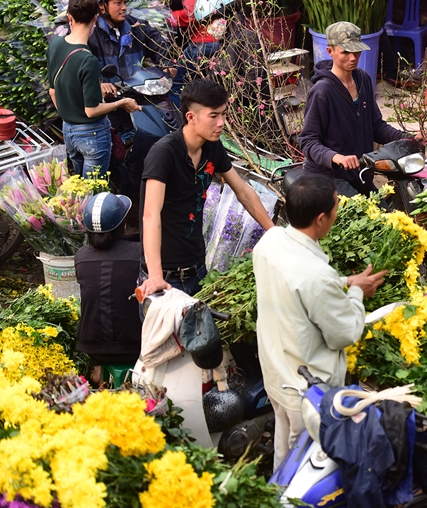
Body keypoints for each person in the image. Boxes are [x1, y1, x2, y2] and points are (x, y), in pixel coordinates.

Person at [253, 173, 387, 470]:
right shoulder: (315, 274)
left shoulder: (270, 241)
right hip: (307, 392)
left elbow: (297, 284)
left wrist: (345, 281)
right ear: (321, 219)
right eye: (336, 207)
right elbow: (344, 333)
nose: (338, 211)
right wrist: (356, 292)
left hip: (276, 373)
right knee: (304, 467)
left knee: (283, 454)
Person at [138, 78, 275, 297]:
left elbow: (243, 191)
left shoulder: (213, 147)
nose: (221, 122)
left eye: (223, 114)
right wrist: (156, 276)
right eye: (214, 116)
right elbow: (151, 215)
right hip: (164, 277)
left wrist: (274, 231)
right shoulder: (164, 153)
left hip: (198, 270)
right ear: (191, 117)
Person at [297, 22, 407, 197]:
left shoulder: (362, 79)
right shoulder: (322, 92)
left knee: (389, 217)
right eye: (345, 52)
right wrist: (336, 157)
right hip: (328, 178)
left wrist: (406, 138)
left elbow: (376, 126)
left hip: (360, 175)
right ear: (330, 52)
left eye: (356, 51)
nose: (353, 58)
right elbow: (307, 141)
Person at [47, 0, 141, 177]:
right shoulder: (87, 59)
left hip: (68, 131)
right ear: (96, 18)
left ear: (69, 17)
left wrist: (71, 118)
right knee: (92, 191)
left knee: (81, 188)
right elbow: (91, 110)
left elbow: (53, 91)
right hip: (92, 135)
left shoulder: (55, 44)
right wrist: (122, 102)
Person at [75, 192, 143, 385]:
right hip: (135, 345)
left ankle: (98, 371)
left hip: (92, 346)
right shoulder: (140, 252)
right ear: (122, 225)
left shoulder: (81, 256)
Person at [88, 0, 172, 95]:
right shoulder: (90, 33)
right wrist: (99, 84)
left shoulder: (137, 27)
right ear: (102, 6)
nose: (124, 7)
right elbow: (83, 68)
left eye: (124, 3)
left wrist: (166, 64)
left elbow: (157, 43)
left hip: (138, 96)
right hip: (108, 101)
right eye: (118, 3)